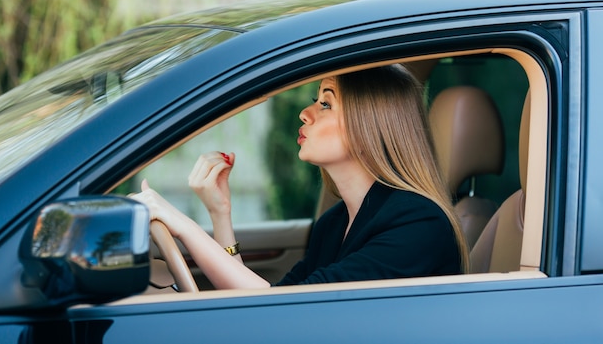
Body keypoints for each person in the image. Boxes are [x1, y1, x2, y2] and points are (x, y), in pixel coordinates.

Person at [132, 64, 469, 289]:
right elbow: (274, 302)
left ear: (371, 124)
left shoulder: (419, 225)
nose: (305, 114)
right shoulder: (334, 224)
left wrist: (182, 226)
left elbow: (274, 309)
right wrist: (221, 213)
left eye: (326, 104)